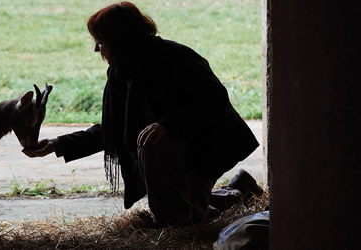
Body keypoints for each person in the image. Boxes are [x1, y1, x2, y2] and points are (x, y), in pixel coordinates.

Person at [23, 1, 260, 226]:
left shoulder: (175, 58)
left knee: (173, 196)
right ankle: (236, 190)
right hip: (174, 152)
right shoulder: (122, 72)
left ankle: (178, 223)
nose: (96, 49)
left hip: (205, 147)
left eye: (101, 41)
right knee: (183, 200)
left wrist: (168, 124)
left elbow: (214, 101)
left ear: (120, 40)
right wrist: (58, 144)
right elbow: (114, 129)